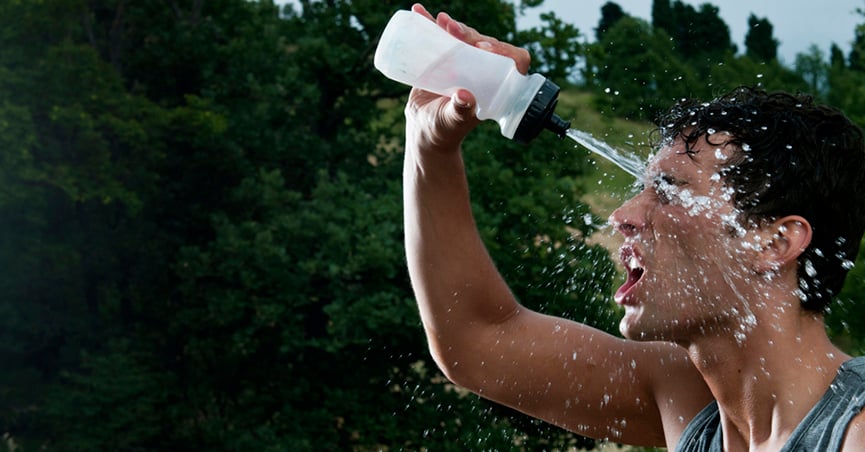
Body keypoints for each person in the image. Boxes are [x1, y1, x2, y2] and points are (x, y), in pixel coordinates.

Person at [400, 3, 865, 450]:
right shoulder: (689, 398)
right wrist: (430, 144)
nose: (621, 217)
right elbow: (477, 338)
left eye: (667, 190)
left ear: (775, 241)